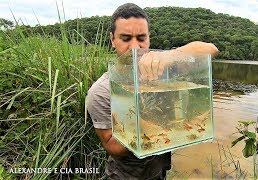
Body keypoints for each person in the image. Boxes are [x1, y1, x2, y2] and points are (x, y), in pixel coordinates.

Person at [86, 3, 219, 179]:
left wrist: (170, 56)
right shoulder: (100, 91)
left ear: (149, 37)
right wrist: (154, 126)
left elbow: (211, 49)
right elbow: (111, 146)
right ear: (112, 40)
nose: (135, 47)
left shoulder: (165, 70)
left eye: (141, 38)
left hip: (159, 170)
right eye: (126, 38)